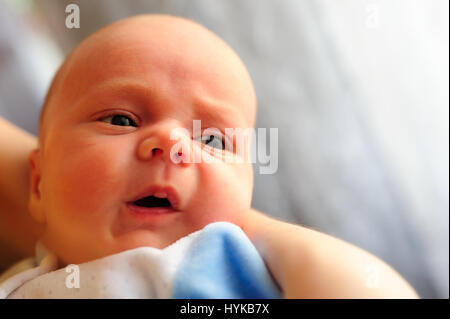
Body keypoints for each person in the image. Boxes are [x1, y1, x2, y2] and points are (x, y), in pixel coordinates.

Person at [0, 14, 418, 298]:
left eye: (213, 141)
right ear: (38, 183)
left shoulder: (225, 260)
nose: (171, 143)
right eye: (122, 120)